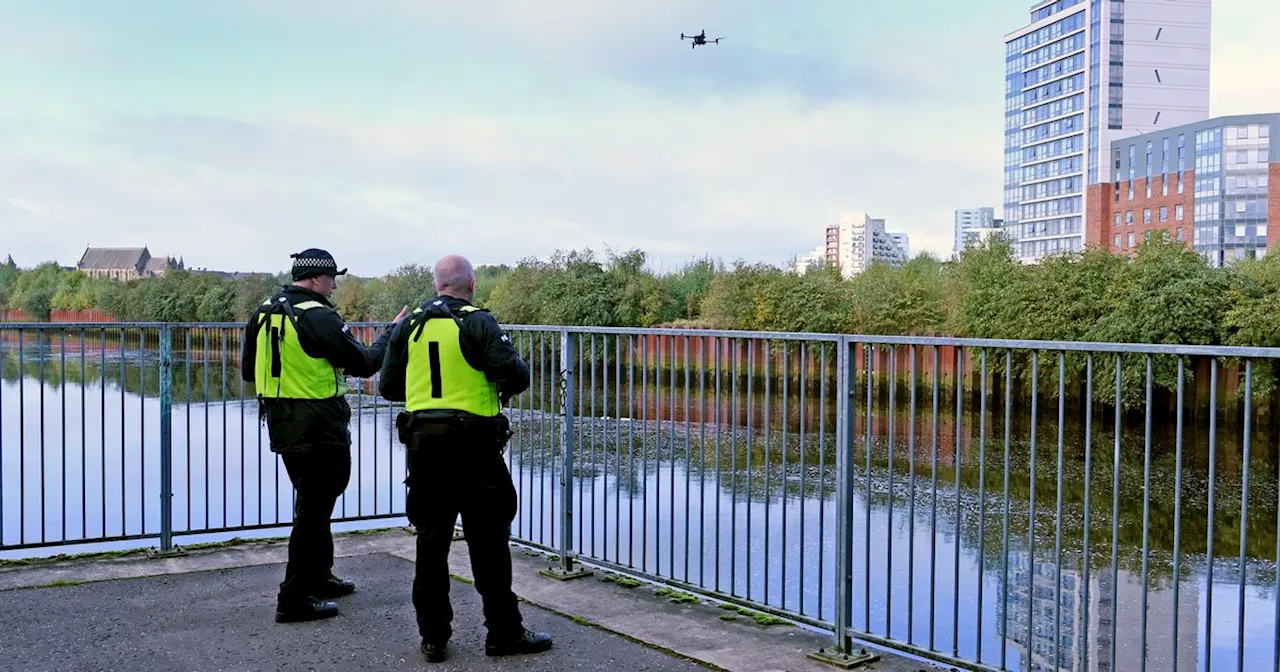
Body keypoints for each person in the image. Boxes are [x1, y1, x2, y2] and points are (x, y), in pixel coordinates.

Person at [378, 254, 552, 664]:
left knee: (431, 542)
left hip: (425, 448)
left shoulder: (411, 326)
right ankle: (503, 633)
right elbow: (517, 375)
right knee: (489, 544)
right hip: (475, 449)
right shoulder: (477, 322)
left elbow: (387, 386)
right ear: (471, 284)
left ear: (436, 284)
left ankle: (433, 637)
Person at [240, 248, 410, 624]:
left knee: (314, 502)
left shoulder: (265, 310)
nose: (335, 285)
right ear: (316, 279)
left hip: (283, 421)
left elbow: (249, 372)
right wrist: (391, 333)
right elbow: (365, 363)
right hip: (319, 423)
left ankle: (319, 577)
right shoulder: (317, 316)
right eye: (333, 278)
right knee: (314, 509)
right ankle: (294, 598)